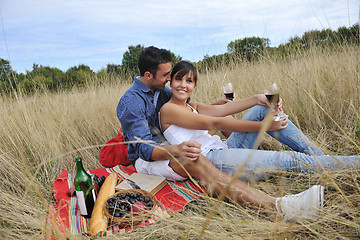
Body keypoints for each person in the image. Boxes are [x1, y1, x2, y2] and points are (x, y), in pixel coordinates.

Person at [117, 46, 324, 223]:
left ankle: (324, 162)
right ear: (148, 76)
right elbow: (144, 149)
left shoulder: (162, 90)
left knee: (259, 112)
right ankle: (280, 208)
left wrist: (252, 99)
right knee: (195, 159)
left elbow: (193, 109)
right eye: (167, 75)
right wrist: (177, 149)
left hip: (191, 147)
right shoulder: (131, 102)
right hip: (150, 159)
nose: (171, 79)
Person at [159, 60, 360, 179]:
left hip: (225, 148)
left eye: (189, 81)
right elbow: (217, 123)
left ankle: (323, 160)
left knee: (260, 108)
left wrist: (258, 98)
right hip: (214, 162)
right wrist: (263, 127)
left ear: (194, 85)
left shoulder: (191, 106)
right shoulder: (168, 110)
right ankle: (350, 164)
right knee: (291, 162)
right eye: (179, 79)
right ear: (170, 81)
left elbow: (223, 110)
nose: (183, 85)